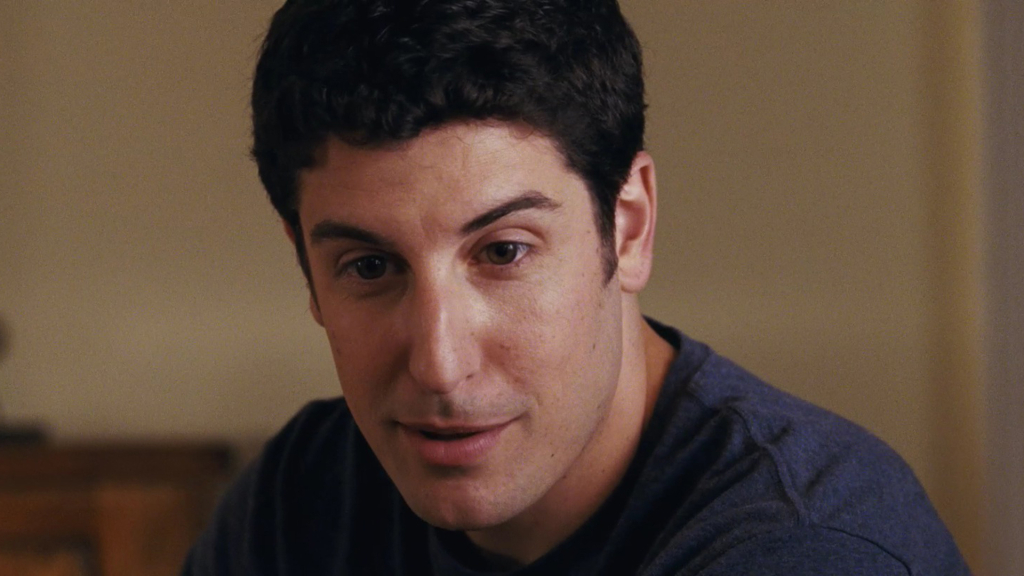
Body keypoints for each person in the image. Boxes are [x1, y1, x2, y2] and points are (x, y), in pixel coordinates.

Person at [182, 0, 971, 574]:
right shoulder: (302, 499)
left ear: (627, 227)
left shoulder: (802, 545)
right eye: (370, 267)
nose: (439, 365)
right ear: (306, 268)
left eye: (504, 252)